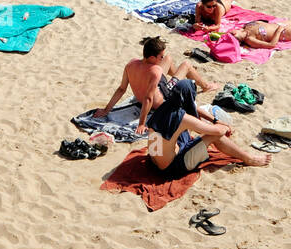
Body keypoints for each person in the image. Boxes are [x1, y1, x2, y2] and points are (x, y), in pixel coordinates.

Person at [92, 36, 269, 174]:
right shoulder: (180, 114)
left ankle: (179, 145)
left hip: (154, 160)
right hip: (171, 168)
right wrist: (220, 125)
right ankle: (248, 158)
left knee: (182, 132)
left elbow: (123, 89)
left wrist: (108, 110)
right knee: (212, 135)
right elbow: (217, 132)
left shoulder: (133, 67)